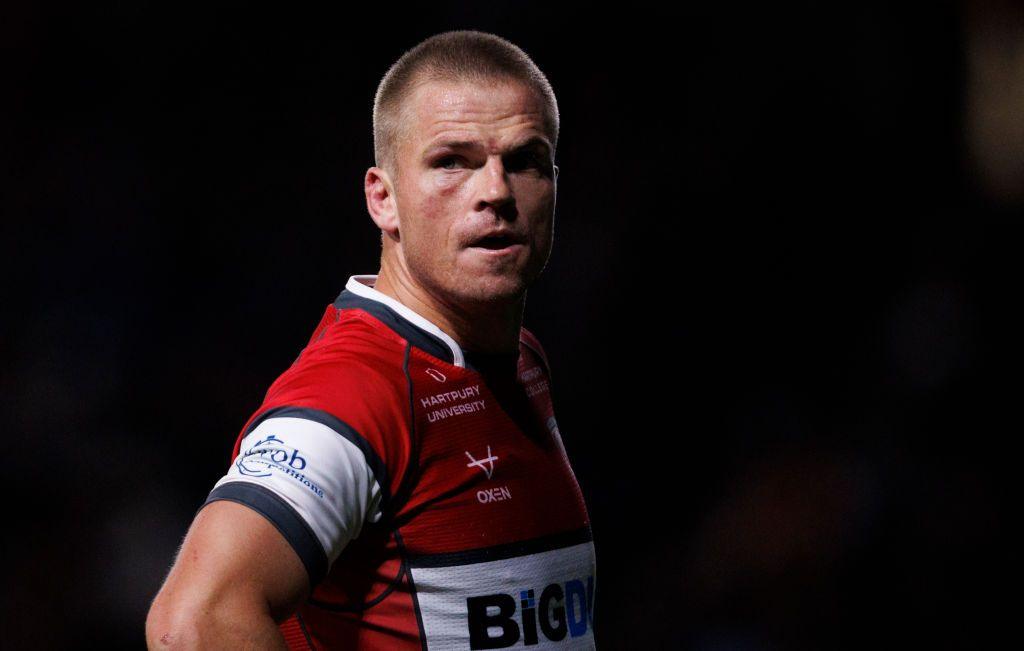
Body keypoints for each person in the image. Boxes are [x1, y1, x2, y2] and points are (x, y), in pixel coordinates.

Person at [146, 30, 596, 650]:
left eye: (524, 161)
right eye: (451, 162)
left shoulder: (519, 360)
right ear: (382, 199)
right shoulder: (356, 389)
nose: (496, 191)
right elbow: (194, 623)